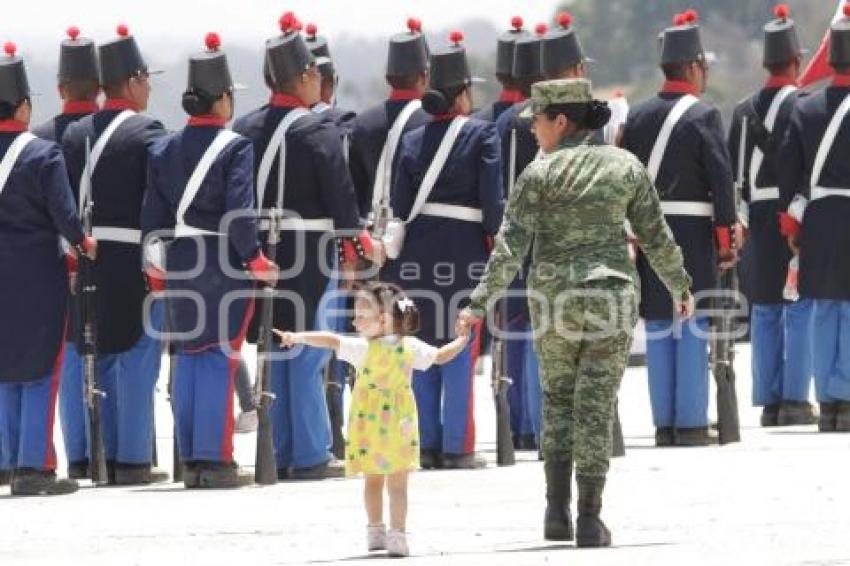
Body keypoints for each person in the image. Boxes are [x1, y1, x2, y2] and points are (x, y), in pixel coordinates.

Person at [458, 78, 693, 547]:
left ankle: (555, 511)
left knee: (559, 402)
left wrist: (477, 304)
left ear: (561, 121)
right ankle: (589, 516)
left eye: (537, 121)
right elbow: (655, 235)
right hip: (610, 297)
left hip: (554, 301)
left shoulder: (536, 175)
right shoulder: (625, 166)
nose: (531, 131)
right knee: (595, 406)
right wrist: (679, 285)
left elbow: (509, 250)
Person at [234, 14, 383, 480]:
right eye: (315, 73)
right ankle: (311, 452)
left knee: (275, 344)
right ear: (301, 77)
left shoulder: (245, 126)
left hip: (260, 250)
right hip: (311, 248)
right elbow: (341, 197)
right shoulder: (317, 129)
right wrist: (358, 238)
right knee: (310, 347)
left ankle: (279, 447)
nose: (320, 81)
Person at [141, 32, 277, 487]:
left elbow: (153, 219)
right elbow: (241, 213)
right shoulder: (236, 147)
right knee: (220, 356)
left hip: (179, 260)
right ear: (221, 100)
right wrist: (256, 259)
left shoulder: (163, 147)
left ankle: (194, 459)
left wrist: (155, 272)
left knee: (190, 357)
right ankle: (216, 460)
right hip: (220, 260)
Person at [275, 282, 469, 557]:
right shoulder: (407, 346)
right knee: (397, 483)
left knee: (374, 481)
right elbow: (440, 356)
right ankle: (397, 534)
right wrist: (462, 340)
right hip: (400, 424)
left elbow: (329, 339)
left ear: (383, 319)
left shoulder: (363, 348)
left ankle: (376, 531)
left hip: (368, 426)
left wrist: (297, 336)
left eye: (360, 316)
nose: (354, 321)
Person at [383, 30, 504, 470]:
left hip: (415, 256)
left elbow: (399, 206)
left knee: (420, 348)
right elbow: (494, 208)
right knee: (458, 345)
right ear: (463, 93)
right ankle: (457, 447)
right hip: (464, 255)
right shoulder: (482, 136)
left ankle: (426, 445)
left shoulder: (412, 139)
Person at [622, 9, 737, 447]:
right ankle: (689, 421)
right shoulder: (704, 116)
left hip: (648, 233)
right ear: (692, 67)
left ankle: (665, 422)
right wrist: (725, 239)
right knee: (689, 324)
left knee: (657, 324)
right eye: (703, 67)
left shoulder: (637, 116)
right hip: (691, 231)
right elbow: (721, 182)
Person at [61, 23, 168, 484]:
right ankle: (132, 460)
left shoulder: (75, 134)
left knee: (97, 352)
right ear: (133, 81)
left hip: (87, 258)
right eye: (146, 80)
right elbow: (158, 203)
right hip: (133, 257)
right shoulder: (149, 131)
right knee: (138, 358)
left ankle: (96, 455)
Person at [0, 40, 97, 495]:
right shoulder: (41, 153)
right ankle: (34, 466)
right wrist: (83, 241)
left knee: (4, 367)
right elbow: (65, 214)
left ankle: (6, 460)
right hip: (37, 273)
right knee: (42, 366)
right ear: (23, 106)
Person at [728, 4, 815, 427]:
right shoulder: (803, 103)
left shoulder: (743, 110)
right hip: (792, 215)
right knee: (795, 305)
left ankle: (769, 399)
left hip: (756, 216)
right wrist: (796, 214)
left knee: (764, 307)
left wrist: (741, 221)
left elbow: (735, 173)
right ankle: (795, 398)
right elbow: (807, 168)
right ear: (796, 60)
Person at [31, 26, 101, 480]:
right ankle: (107, 454)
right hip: (98, 256)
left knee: (68, 355)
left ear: (59, 88)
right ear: (99, 87)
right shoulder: (112, 130)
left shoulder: (35, 138)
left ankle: (75, 453)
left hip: (45, 263)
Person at [777, 4, 850, 432]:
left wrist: (792, 226)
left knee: (824, 308)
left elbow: (789, 172)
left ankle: (827, 399)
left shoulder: (804, 108)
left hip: (819, 216)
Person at [348, 18, 430, 223]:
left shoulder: (362, 123)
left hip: (371, 233)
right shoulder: (431, 121)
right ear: (424, 76)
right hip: (414, 230)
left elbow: (355, 189)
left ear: (388, 78)